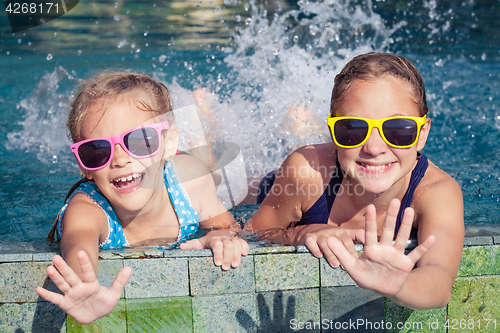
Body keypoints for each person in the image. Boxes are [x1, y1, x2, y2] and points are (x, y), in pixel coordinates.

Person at [248, 52, 464, 309]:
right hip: (282, 187)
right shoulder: (304, 174)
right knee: (238, 186)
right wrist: (299, 233)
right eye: (352, 129)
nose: (374, 148)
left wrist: (398, 285)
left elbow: (439, 281)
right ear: (332, 133)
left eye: (397, 130)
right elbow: (249, 233)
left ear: (421, 134)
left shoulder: (436, 192)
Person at [36, 72, 249, 324]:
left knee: (205, 165)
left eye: (139, 140)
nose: (120, 159)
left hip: (177, 166)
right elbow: (77, 244)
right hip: (155, 166)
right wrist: (83, 286)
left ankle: (206, 119)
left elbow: (230, 226)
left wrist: (220, 235)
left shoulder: (189, 181)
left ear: (167, 143)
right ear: (84, 167)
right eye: (98, 150)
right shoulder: (87, 208)